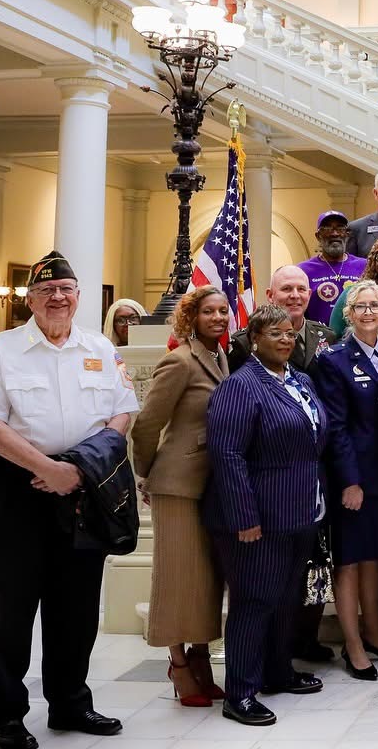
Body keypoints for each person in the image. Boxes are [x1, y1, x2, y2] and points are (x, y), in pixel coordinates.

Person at [0, 251, 137, 748]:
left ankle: (70, 703)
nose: (58, 298)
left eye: (67, 290)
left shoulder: (101, 348)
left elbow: (122, 413)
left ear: (79, 297)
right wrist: (46, 469)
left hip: (82, 486)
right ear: (32, 301)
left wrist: (78, 468)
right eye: (46, 292)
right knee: (7, 608)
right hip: (15, 489)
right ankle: (5, 715)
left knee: (77, 605)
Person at [205, 305, 330, 726]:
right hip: (256, 519)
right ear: (254, 338)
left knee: (284, 600)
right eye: (275, 333)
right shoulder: (240, 386)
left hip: (300, 513)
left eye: (290, 333)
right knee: (254, 602)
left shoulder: (302, 381)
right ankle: (239, 692)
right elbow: (226, 454)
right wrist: (244, 517)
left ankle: (278, 672)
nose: (285, 339)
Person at [225, 265, 338, 664]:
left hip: (309, 484)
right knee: (260, 591)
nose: (294, 295)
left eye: (301, 289)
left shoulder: (321, 344)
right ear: (271, 295)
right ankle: (250, 675)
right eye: (286, 289)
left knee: (303, 578)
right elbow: (231, 445)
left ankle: (289, 655)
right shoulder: (241, 361)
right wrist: (244, 512)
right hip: (266, 490)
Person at [131, 286, 230, 708]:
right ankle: (178, 664)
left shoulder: (221, 358)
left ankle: (201, 656)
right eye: (209, 311)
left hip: (211, 484)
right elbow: (147, 424)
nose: (219, 318)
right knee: (176, 579)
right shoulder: (179, 360)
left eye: (224, 311)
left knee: (206, 580)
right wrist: (147, 474)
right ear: (192, 317)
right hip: (177, 484)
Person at [311, 280, 378, 681]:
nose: (368, 313)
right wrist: (350, 480)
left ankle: (375, 634)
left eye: (375, 306)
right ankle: (352, 646)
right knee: (349, 561)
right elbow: (336, 429)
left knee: (375, 559)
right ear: (348, 314)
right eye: (360, 307)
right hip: (353, 480)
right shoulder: (332, 360)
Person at [298, 211, 366, 325]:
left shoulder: (364, 266)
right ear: (318, 236)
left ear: (347, 234)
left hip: (356, 338)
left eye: (340, 228)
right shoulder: (303, 270)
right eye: (327, 229)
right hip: (317, 339)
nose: (335, 234)